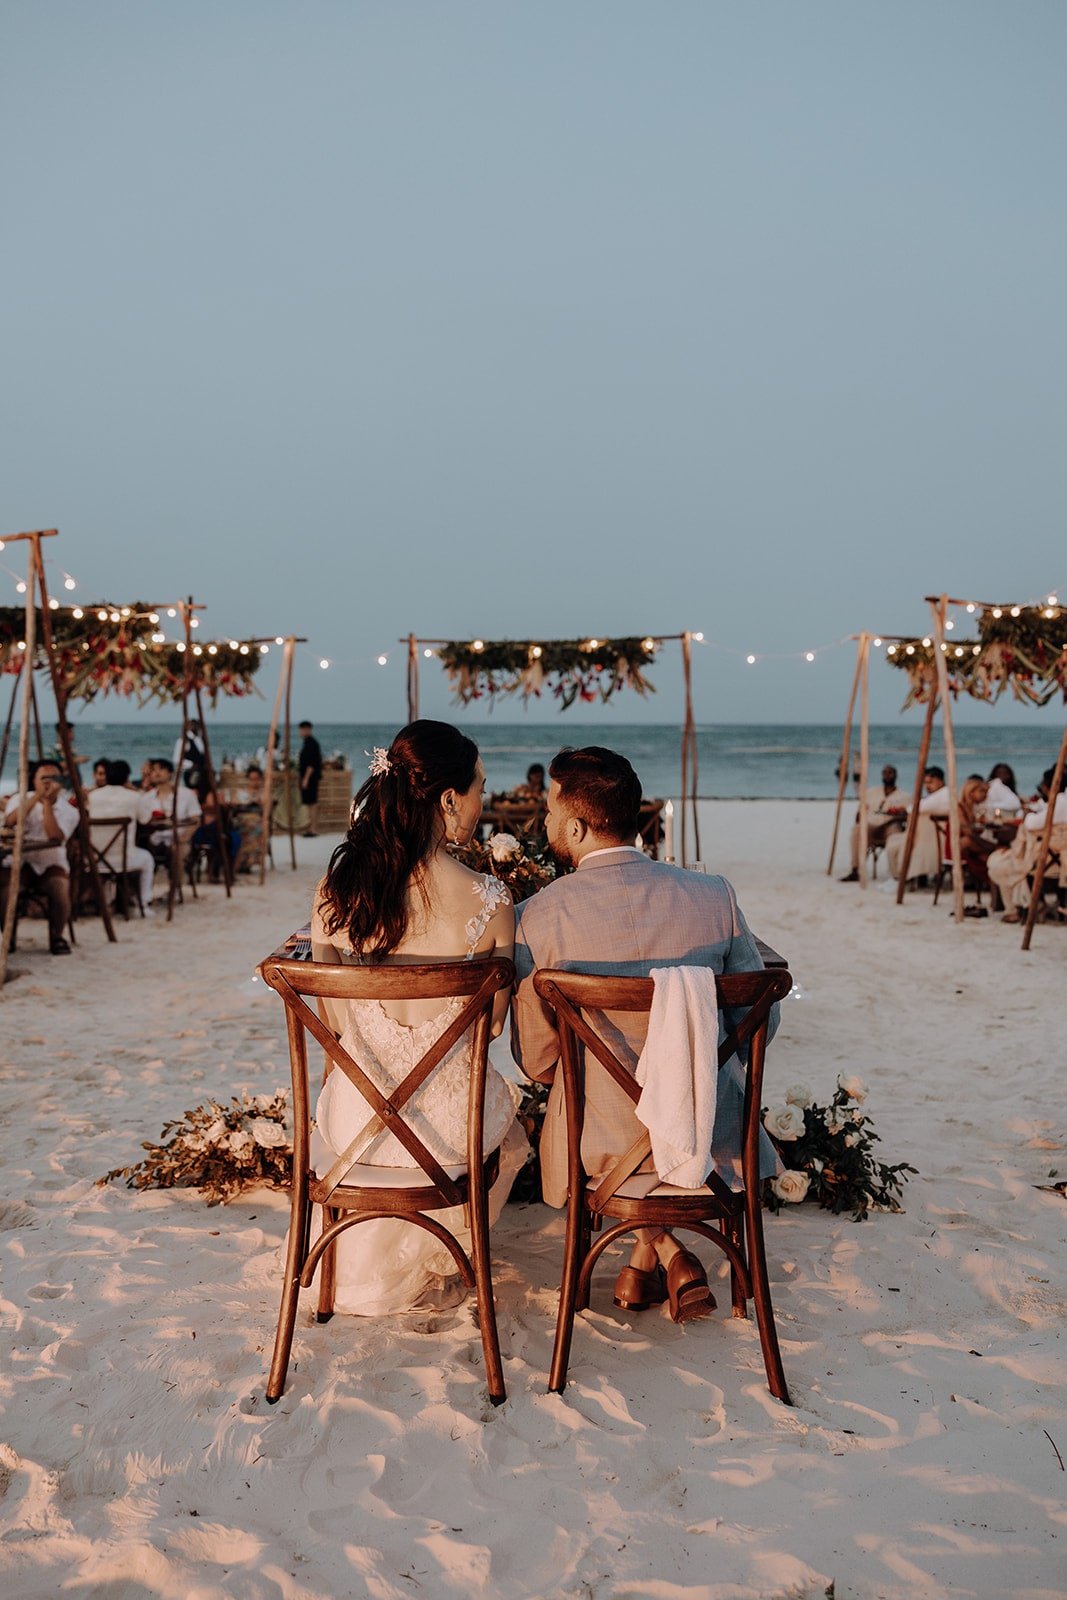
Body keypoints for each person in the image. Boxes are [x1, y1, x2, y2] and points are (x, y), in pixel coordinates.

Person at [511, 745, 778, 1324]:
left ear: (578, 826)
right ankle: (661, 1255)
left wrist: (617, 1084)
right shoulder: (715, 896)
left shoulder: (537, 916)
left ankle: (654, 1253)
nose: (547, 822)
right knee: (678, 1099)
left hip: (599, 1141)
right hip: (711, 1131)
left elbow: (536, 1059)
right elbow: (764, 1022)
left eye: (552, 811)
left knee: (595, 1103)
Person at [309, 719, 526, 1316]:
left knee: (366, 1103)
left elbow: (334, 1029)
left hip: (357, 1122)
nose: (484, 801)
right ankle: (444, 1258)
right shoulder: (492, 900)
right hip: (451, 1131)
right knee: (506, 1122)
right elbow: (496, 1028)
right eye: (480, 786)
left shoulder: (336, 891)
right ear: (449, 798)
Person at [1, 759, 79, 954]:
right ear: (34, 780)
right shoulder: (20, 799)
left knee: (60, 887)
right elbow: (10, 822)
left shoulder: (69, 810)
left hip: (49, 861)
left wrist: (46, 804)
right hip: (20, 861)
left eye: (54, 778)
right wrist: (36, 798)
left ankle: (57, 936)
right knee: (5, 887)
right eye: (44, 778)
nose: (48, 782)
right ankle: (7, 936)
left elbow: (55, 835)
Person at [989, 767, 1067, 921]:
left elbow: (1031, 824)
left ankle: (1016, 908)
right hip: (1057, 858)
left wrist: (1029, 814)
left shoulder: (1059, 803)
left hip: (1048, 860)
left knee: (999, 864)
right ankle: (1033, 904)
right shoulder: (1059, 802)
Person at [87, 759, 157, 912]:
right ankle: (143, 903)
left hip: (94, 859)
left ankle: (109, 900)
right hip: (123, 859)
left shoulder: (93, 796)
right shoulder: (133, 797)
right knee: (148, 859)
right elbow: (146, 819)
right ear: (126, 778)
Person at [839, 763, 909, 881]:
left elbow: (907, 815)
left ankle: (897, 873)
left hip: (890, 825)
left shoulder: (905, 796)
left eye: (890, 773)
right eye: (884, 773)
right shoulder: (871, 792)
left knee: (896, 835)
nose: (887, 776)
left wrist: (898, 814)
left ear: (895, 775)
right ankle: (856, 870)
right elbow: (860, 812)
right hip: (872, 825)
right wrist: (861, 815)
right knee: (857, 830)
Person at [885, 765, 950, 884]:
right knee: (893, 840)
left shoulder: (943, 795)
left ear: (940, 781)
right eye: (925, 783)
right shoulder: (938, 796)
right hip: (929, 836)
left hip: (934, 839)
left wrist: (906, 808)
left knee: (894, 845)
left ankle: (902, 877)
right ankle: (902, 876)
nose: (927, 786)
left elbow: (917, 808)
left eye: (930, 782)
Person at [298, 720, 323, 837]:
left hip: (311, 778)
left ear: (307, 729)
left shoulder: (312, 744)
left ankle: (314, 829)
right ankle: (311, 828)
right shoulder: (307, 743)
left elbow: (312, 764)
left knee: (312, 803)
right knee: (310, 803)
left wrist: (306, 779)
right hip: (309, 778)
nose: (300, 732)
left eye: (302, 729)